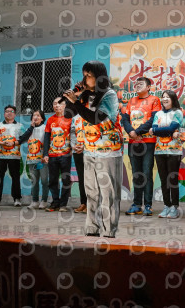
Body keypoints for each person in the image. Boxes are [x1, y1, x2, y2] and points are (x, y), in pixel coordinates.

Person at [64, 61, 123, 238]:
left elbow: (96, 118)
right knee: (91, 192)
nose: (85, 79)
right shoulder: (85, 95)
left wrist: (77, 102)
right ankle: (92, 227)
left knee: (108, 192)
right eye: (84, 75)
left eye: (89, 75)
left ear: (99, 76)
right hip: (89, 149)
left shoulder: (109, 95)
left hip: (108, 150)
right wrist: (74, 96)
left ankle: (109, 230)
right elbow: (68, 114)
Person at [121, 77, 161, 216]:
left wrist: (137, 132)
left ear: (148, 87)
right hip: (133, 143)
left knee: (147, 173)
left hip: (148, 142)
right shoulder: (131, 101)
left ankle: (148, 205)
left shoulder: (154, 100)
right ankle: (137, 204)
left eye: (141, 84)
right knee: (136, 174)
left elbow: (154, 119)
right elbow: (125, 119)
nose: (137, 86)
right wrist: (131, 132)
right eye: (136, 84)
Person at [150, 90, 184, 219]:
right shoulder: (158, 114)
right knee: (163, 179)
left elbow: (170, 128)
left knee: (172, 179)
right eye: (163, 97)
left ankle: (174, 207)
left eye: (167, 97)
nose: (164, 99)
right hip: (159, 150)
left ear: (173, 99)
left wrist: (157, 130)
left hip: (174, 151)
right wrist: (167, 131)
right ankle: (167, 205)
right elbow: (156, 130)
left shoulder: (178, 112)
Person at [0, 105, 25, 207]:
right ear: (4, 113)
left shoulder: (20, 126)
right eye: (7, 111)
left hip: (14, 156)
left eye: (11, 111)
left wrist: (14, 143)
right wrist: (0, 142)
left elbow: (23, 139)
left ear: (15, 114)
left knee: (15, 177)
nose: (9, 113)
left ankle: (17, 198)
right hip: (0, 156)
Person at [42, 97, 73, 212]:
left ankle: (63, 204)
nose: (57, 106)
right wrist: (45, 154)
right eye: (55, 103)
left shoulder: (70, 119)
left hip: (65, 155)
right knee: (53, 180)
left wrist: (72, 149)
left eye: (59, 103)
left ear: (65, 105)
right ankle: (55, 202)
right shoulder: (50, 120)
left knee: (65, 180)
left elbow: (73, 136)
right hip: (52, 155)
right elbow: (46, 138)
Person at [18, 109, 50, 209]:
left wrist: (46, 155)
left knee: (44, 181)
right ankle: (35, 201)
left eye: (38, 115)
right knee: (34, 181)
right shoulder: (29, 129)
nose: (35, 117)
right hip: (31, 159)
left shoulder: (45, 128)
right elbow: (21, 139)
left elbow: (47, 143)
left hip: (42, 160)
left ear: (42, 118)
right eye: (34, 115)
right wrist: (31, 127)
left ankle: (44, 200)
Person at [71, 112, 87, 213]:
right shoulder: (74, 118)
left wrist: (84, 146)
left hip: (89, 151)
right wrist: (74, 146)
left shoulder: (90, 115)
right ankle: (83, 203)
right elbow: (72, 133)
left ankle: (91, 204)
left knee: (90, 178)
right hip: (77, 151)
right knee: (81, 178)